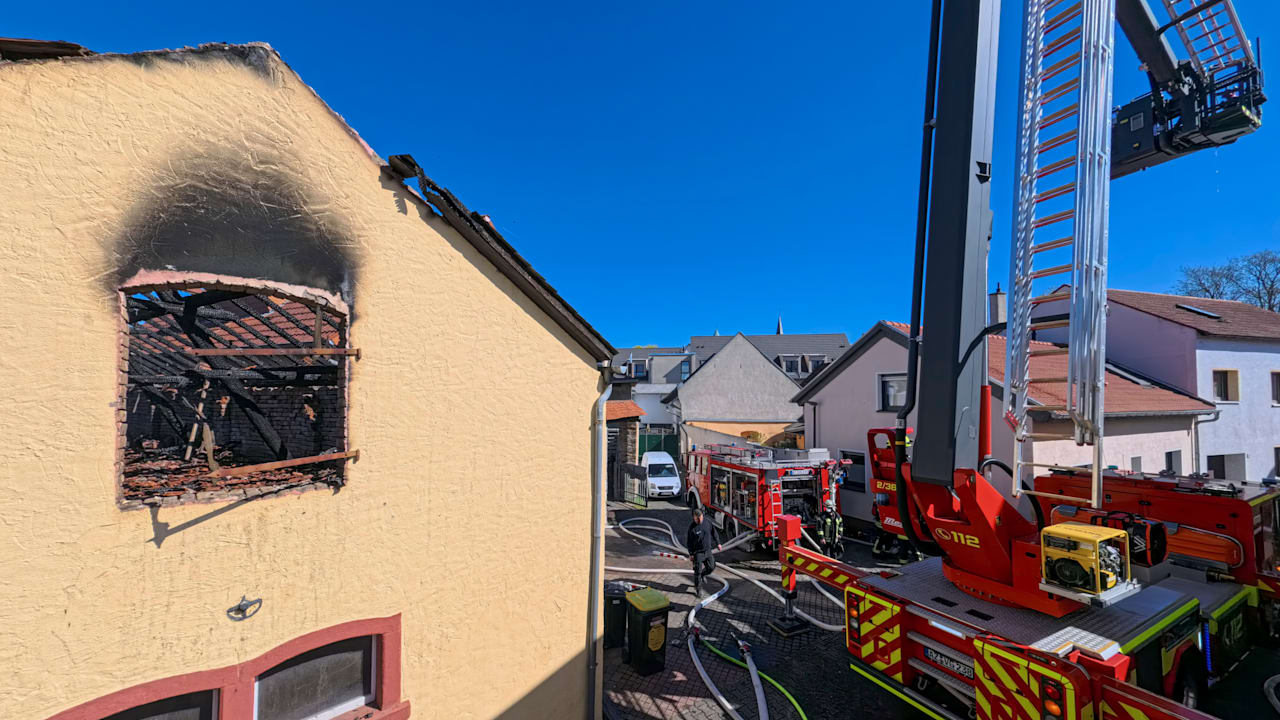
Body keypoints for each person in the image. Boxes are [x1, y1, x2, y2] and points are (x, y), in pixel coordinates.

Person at [686, 506, 722, 597]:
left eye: (701, 517)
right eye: (697, 518)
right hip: (698, 553)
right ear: (694, 517)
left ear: (702, 516)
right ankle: (698, 589)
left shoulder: (707, 522)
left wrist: (718, 543)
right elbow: (689, 542)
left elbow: (714, 533)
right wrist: (691, 554)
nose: (700, 520)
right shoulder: (692, 528)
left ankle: (703, 574)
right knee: (697, 571)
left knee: (711, 566)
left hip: (708, 551)